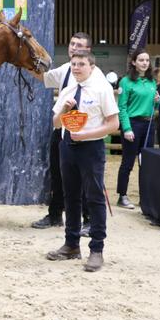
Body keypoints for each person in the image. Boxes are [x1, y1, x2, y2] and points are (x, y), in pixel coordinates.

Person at [46, 51, 119, 272]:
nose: (76, 68)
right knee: (71, 197)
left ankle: (96, 250)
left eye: (81, 64)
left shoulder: (101, 88)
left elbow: (113, 124)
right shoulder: (67, 89)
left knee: (94, 198)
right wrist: (65, 110)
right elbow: (56, 123)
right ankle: (71, 245)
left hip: (91, 147)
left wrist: (87, 135)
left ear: (91, 66)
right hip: (67, 146)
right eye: (74, 64)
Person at [32, 32, 104, 233]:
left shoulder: (97, 78)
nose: (73, 47)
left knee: (87, 179)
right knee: (57, 173)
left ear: (88, 51)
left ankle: (89, 219)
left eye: (79, 44)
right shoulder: (65, 69)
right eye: (72, 43)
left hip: (87, 135)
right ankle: (55, 214)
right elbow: (44, 77)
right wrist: (23, 63)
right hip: (63, 130)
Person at [115, 49, 158, 210]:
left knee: (146, 163)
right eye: (141, 60)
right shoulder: (126, 82)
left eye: (147, 60)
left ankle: (145, 197)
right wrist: (126, 128)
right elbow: (122, 107)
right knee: (128, 162)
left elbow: (154, 104)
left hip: (149, 124)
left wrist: (158, 101)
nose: (145, 63)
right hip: (133, 124)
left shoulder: (152, 81)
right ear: (134, 62)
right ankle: (122, 195)